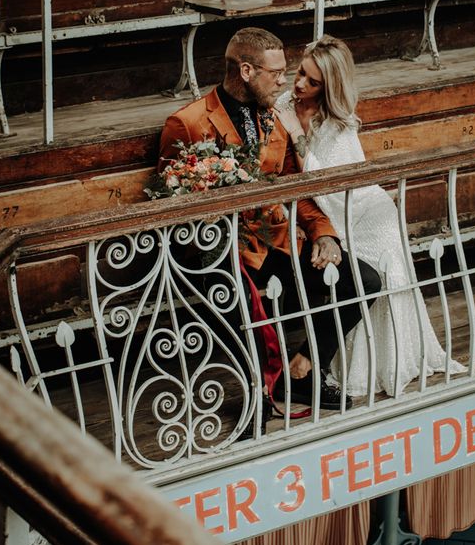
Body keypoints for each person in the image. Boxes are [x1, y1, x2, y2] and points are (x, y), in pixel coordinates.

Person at [158, 27, 381, 410]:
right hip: (222, 253)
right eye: (275, 73)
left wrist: (324, 234)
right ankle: (255, 393)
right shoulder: (189, 123)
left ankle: (306, 369)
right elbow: (171, 207)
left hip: (275, 240)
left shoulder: (273, 119)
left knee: (362, 281)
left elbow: (297, 190)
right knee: (236, 300)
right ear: (246, 71)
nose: (284, 81)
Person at [274, 35, 466, 396]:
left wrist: (297, 131)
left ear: (329, 87)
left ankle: (384, 360)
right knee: (356, 281)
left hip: (366, 215)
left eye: (312, 82)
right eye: (300, 73)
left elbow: (324, 181)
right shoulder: (287, 101)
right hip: (328, 212)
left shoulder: (338, 125)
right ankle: (326, 361)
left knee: (377, 283)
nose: (299, 84)